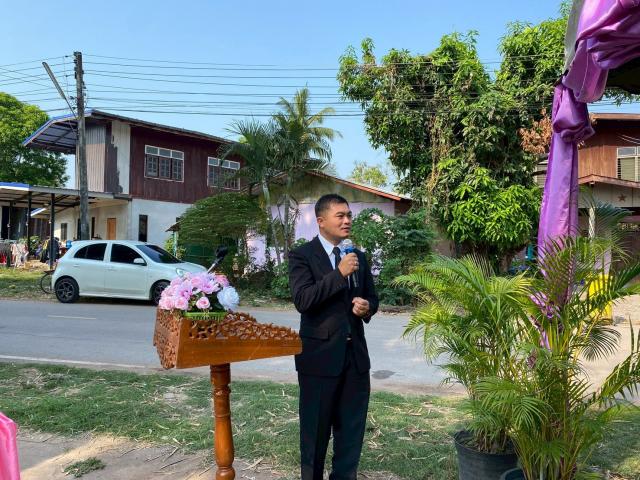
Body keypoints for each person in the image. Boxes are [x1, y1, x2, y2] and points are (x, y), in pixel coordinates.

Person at [288, 193, 379, 480]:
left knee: (351, 434)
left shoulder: (357, 257)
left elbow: (373, 298)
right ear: (321, 221)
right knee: (314, 435)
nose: (347, 220)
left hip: (355, 360)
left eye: (349, 215)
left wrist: (366, 307)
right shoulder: (302, 256)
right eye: (340, 215)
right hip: (319, 361)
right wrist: (339, 274)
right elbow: (303, 300)